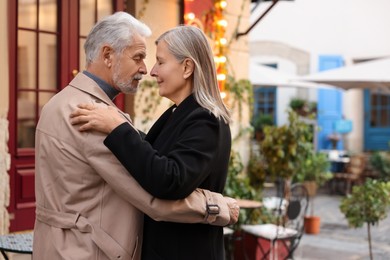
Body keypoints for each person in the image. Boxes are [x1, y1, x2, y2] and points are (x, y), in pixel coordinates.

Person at [33, 12, 239, 260]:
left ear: (187, 68)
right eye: (139, 57)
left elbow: (154, 163)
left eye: (158, 62)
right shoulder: (89, 114)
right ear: (108, 55)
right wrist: (217, 206)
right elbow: (151, 198)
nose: (147, 69)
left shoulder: (61, 103)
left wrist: (120, 127)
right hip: (85, 251)